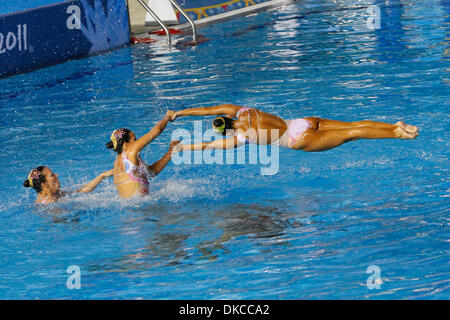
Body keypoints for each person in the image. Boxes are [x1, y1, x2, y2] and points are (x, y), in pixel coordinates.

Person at [168, 104, 418, 152]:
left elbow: (211, 146)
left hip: (297, 138)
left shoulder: (241, 137)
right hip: (301, 121)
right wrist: (178, 113)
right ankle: (395, 126)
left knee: (352, 135)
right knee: (353, 125)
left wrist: (183, 148)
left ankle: (397, 134)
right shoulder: (241, 110)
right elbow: (208, 109)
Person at [106, 111, 180, 198]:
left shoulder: (119, 163)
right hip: (142, 207)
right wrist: (167, 117)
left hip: (135, 208)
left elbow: (152, 172)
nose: (137, 142)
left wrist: (171, 152)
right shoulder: (129, 152)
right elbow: (156, 131)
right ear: (126, 144)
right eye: (134, 139)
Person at [23, 166, 112, 204]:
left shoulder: (55, 194)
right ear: (44, 184)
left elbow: (80, 192)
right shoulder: (49, 202)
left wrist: (102, 175)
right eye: (52, 175)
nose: (56, 175)